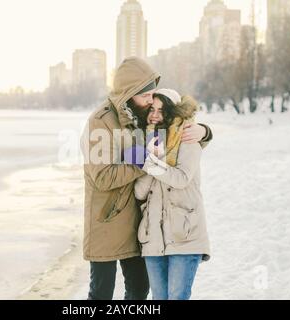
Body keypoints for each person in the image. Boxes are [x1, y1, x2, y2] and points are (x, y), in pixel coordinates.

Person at [80, 57, 213, 300]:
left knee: (140, 290)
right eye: (146, 95)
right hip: (107, 220)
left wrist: (204, 132)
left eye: (153, 94)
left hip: (139, 221)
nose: (151, 101)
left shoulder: (141, 114)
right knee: (101, 293)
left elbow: (174, 127)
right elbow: (103, 177)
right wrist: (144, 161)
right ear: (129, 93)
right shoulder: (101, 122)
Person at [133, 89, 211, 300]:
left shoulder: (188, 138)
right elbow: (139, 192)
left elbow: (181, 178)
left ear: (172, 112)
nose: (155, 114)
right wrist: (151, 158)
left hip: (184, 235)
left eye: (162, 109)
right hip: (153, 239)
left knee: (177, 297)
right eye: (152, 109)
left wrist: (151, 162)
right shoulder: (148, 142)